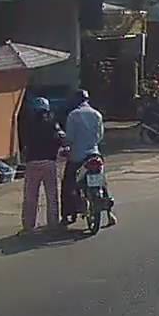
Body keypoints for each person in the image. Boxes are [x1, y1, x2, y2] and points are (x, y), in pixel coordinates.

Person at [62, 89, 116, 226]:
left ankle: (67, 214)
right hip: (94, 154)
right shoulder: (97, 114)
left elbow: (70, 138)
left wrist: (66, 146)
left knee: (68, 183)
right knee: (102, 182)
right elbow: (100, 136)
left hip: (77, 156)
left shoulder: (73, 115)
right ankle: (109, 213)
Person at [19, 98, 66, 233]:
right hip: (49, 162)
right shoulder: (52, 123)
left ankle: (29, 225)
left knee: (30, 197)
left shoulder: (28, 125)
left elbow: (22, 143)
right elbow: (61, 138)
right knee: (52, 196)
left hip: (32, 162)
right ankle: (53, 223)